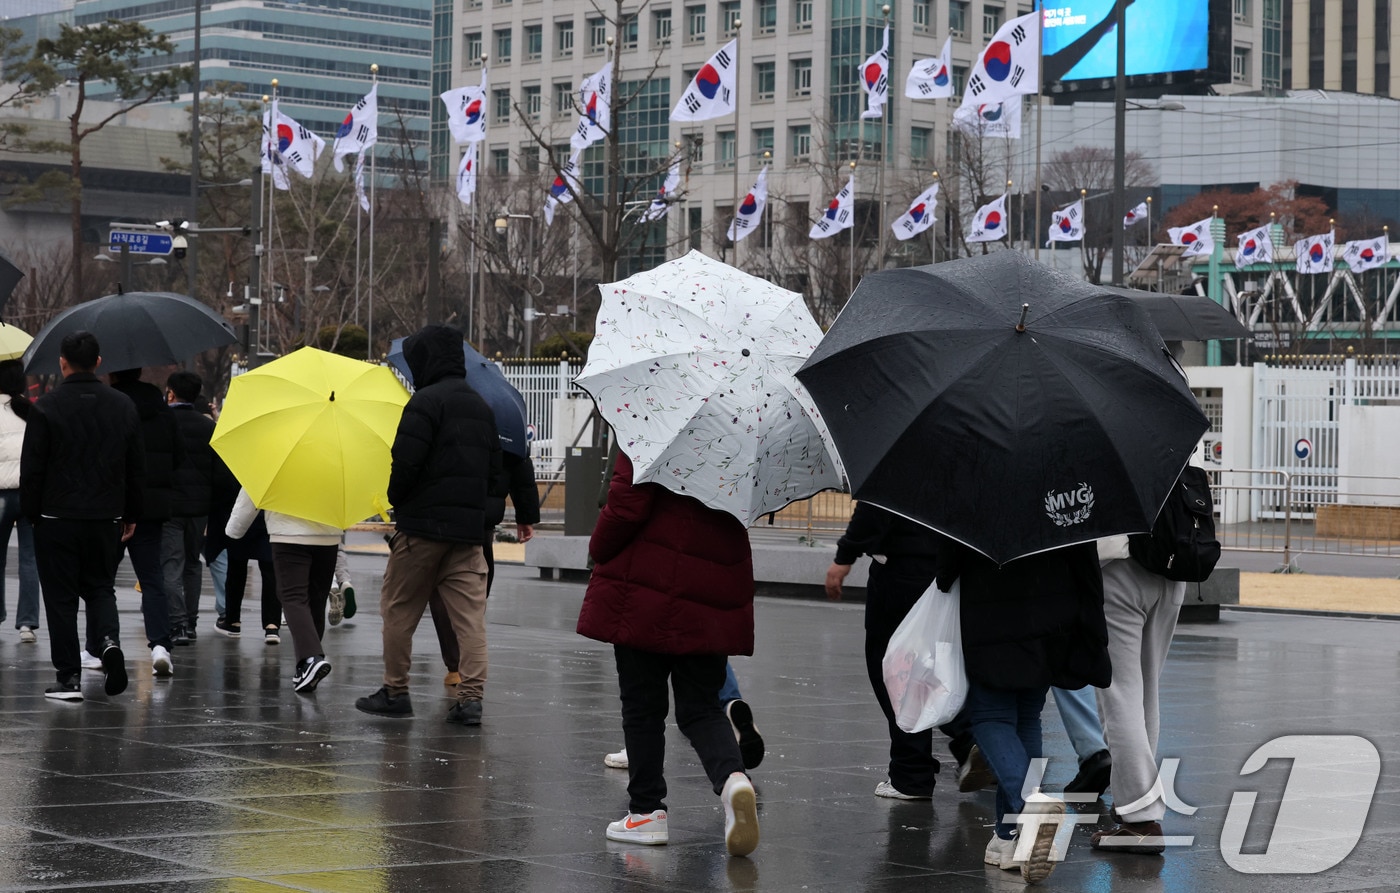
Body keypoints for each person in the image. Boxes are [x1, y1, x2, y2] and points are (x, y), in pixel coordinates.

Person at [577, 451, 760, 858]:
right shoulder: (739, 443)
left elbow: (627, 505)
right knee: (702, 708)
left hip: (644, 584)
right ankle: (733, 780)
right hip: (710, 590)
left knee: (643, 707)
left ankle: (646, 813)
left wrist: (598, 546)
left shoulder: (650, 424)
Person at [935, 539, 1111, 885]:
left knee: (989, 716)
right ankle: (1009, 835)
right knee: (1028, 716)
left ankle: (1029, 803)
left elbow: (947, 566)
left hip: (991, 608)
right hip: (1052, 610)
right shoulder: (1061, 483)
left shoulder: (976, 487)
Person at [354, 324, 503, 724]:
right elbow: (495, 477)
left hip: (421, 531)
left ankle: (395, 690)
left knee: (398, 610)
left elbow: (404, 465)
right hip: (468, 535)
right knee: (471, 620)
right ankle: (470, 699)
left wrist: (399, 504)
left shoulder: (424, 403)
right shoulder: (481, 407)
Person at [825, 502, 992, 798]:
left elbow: (874, 510)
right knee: (936, 662)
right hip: (948, 569)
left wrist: (844, 556)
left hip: (900, 571)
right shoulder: (960, 458)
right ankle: (970, 742)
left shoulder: (898, 459)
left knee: (895, 670)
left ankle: (912, 772)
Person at [20, 331, 143, 701]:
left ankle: (69, 676)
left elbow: (33, 468)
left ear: (62, 362)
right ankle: (107, 642)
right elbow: (135, 467)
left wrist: (31, 515)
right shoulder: (122, 406)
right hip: (106, 516)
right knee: (100, 588)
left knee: (60, 598)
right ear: (99, 362)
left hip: (56, 516)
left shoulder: (46, 407)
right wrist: (131, 513)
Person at [1090, 534, 1186, 854]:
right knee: (1145, 695)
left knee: (1120, 696)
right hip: (1172, 565)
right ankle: (1136, 803)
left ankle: (1140, 817)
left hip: (1120, 567)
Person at [426, 444, 539, 685]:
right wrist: (526, 516)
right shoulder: (505, 423)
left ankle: (455, 665)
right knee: (476, 589)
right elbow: (521, 464)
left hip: (442, 515)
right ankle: (470, 663)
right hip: (483, 519)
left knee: (440, 589)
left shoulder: (444, 411)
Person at [226, 488, 341, 691]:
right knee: (317, 597)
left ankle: (310, 659)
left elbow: (254, 487)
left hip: (288, 533)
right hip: (328, 532)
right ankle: (306, 667)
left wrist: (234, 529)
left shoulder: (278, 455)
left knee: (293, 596)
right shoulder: (335, 456)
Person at [107, 367, 181, 677]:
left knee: (102, 582)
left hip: (112, 505)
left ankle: (103, 642)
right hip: (150, 507)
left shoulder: (111, 405)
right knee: (152, 577)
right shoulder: (160, 407)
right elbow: (178, 455)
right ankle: (160, 646)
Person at [164, 371, 217, 643]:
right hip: (199, 507)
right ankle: (192, 623)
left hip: (170, 506)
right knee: (193, 564)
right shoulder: (208, 427)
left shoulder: (162, 422)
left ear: (171, 392)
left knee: (171, 565)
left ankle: (178, 624)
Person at [0, 360, 40, 645]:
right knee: (30, 559)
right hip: (29, 493)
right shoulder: (31, 411)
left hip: (0, 494)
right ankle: (27, 623)